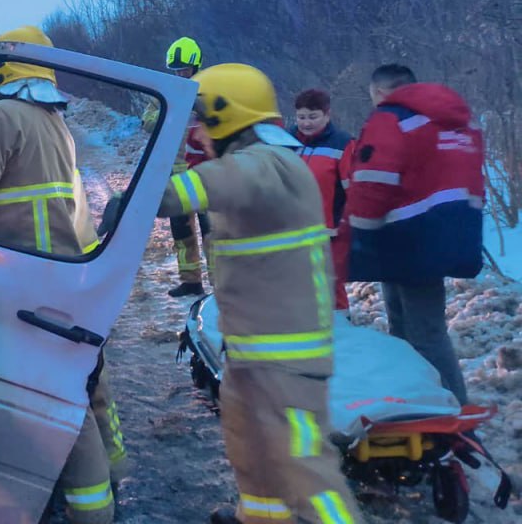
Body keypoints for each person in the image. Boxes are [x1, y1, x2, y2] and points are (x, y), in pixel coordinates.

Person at [157, 63, 362, 524]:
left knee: (306, 472)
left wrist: (139, 197)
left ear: (224, 117)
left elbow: (201, 187)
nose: (197, 133)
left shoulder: (268, 166)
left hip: (285, 359)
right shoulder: (265, 164)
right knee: (252, 454)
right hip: (253, 350)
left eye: (201, 120)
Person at [0, 26, 126, 524]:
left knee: (55, 403)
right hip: (65, 278)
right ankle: (115, 473)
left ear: (2, 69)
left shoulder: (4, 117)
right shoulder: (52, 121)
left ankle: (90, 511)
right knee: (89, 381)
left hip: (25, 283)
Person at [344, 64, 484, 406]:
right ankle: (421, 400)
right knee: (419, 327)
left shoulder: (391, 119)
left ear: (378, 92)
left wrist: (359, 233)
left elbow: (373, 181)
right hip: (452, 232)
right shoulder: (457, 120)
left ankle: (453, 413)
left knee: (418, 332)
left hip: (404, 237)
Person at [143, 36, 213, 297]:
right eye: (176, 70)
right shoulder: (165, 91)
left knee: (212, 233)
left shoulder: (210, 89)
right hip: (175, 173)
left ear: (195, 66)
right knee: (182, 233)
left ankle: (221, 285)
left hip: (205, 172)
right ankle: (191, 281)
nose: (180, 74)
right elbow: (147, 121)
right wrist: (172, 112)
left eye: (184, 69)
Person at [289, 89, 354, 311]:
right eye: (301, 117)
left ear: (327, 115)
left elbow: (352, 189)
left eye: (313, 117)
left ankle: (340, 331)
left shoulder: (343, 144)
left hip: (328, 231)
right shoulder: (285, 141)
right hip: (290, 229)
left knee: (330, 285)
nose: (306, 123)